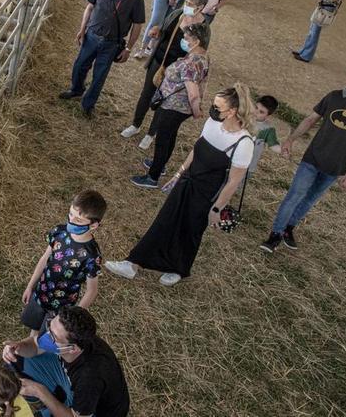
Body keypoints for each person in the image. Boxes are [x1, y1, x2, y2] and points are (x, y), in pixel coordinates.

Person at [107, 85, 255, 286]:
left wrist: (216, 208)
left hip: (207, 194)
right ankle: (133, 263)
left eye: (217, 107)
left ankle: (179, 269)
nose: (211, 109)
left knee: (190, 231)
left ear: (232, 112)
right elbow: (197, 149)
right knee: (164, 221)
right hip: (188, 182)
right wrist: (179, 173)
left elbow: (233, 182)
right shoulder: (212, 123)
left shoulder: (244, 143)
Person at [260, 68, 346, 253]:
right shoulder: (335, 97)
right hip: (312, 158)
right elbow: (310, 120)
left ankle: (289, 228)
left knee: (309, 200)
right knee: (294, 196)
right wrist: (290, 139)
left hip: (336, 167)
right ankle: (276, 234)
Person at [2, 306, 130, 417]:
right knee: (17, 358)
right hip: (70, 381)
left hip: (96, 411)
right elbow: (36, 345)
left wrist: (39, 391)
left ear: (73, 349)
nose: (46, 335)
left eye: (53, 336)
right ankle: (58, 399)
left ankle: (54, 402)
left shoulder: (90, 377)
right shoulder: (69, 335)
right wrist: (18, 346)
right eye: (49, 325)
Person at [123, 0, 210, 150]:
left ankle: (151, 134)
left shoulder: (202, 28)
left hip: (176, 71)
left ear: (201, 7)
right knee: (146, 94)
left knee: (163, 102)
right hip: (159, 61)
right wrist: (157, 31)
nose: (187, 6)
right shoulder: (178, 14)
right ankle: (135, 125)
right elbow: (163, 29)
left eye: (191, 4)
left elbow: (199, 52)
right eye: (186, 2)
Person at [60, 0, 145, 117]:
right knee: (79, 65)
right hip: (92, 35)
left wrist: (128, 49)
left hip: (111, 43)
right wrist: (82, 29)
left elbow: (137, 24)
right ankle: (76, 89)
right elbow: (90, 6)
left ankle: (88, 104)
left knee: (99, 75)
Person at [130, 23, 211, 188]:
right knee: (170, 135)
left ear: (196, 41)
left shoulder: (191, 63)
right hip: (179, 107)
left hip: (175, 107)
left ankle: (152, 177)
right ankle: (161, 165)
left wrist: (196, 111)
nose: (183, 40)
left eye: (186, 38)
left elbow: (193, 93)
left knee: (163, 139)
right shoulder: (202, 57)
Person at [20, 191, 106, 336]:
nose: (71, 221)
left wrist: (71, 318)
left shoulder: (92, 256)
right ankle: (32, 337)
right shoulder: (59, 232)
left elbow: (92, 290)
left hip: (62, 307)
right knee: (34, 326)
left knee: (45, 338)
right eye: (70, 214)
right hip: (41, 292)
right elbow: (44, 259)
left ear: (94, 225)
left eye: (78, 220)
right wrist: (30, 286)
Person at [248, 95, 282, 174]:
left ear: (268, 115)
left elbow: (273, 145)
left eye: (261, 112)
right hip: (230, 158)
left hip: (248, 166)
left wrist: (283, 150)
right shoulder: (244, 118)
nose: (256, 112)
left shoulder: (268, 129)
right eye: (256, 107)